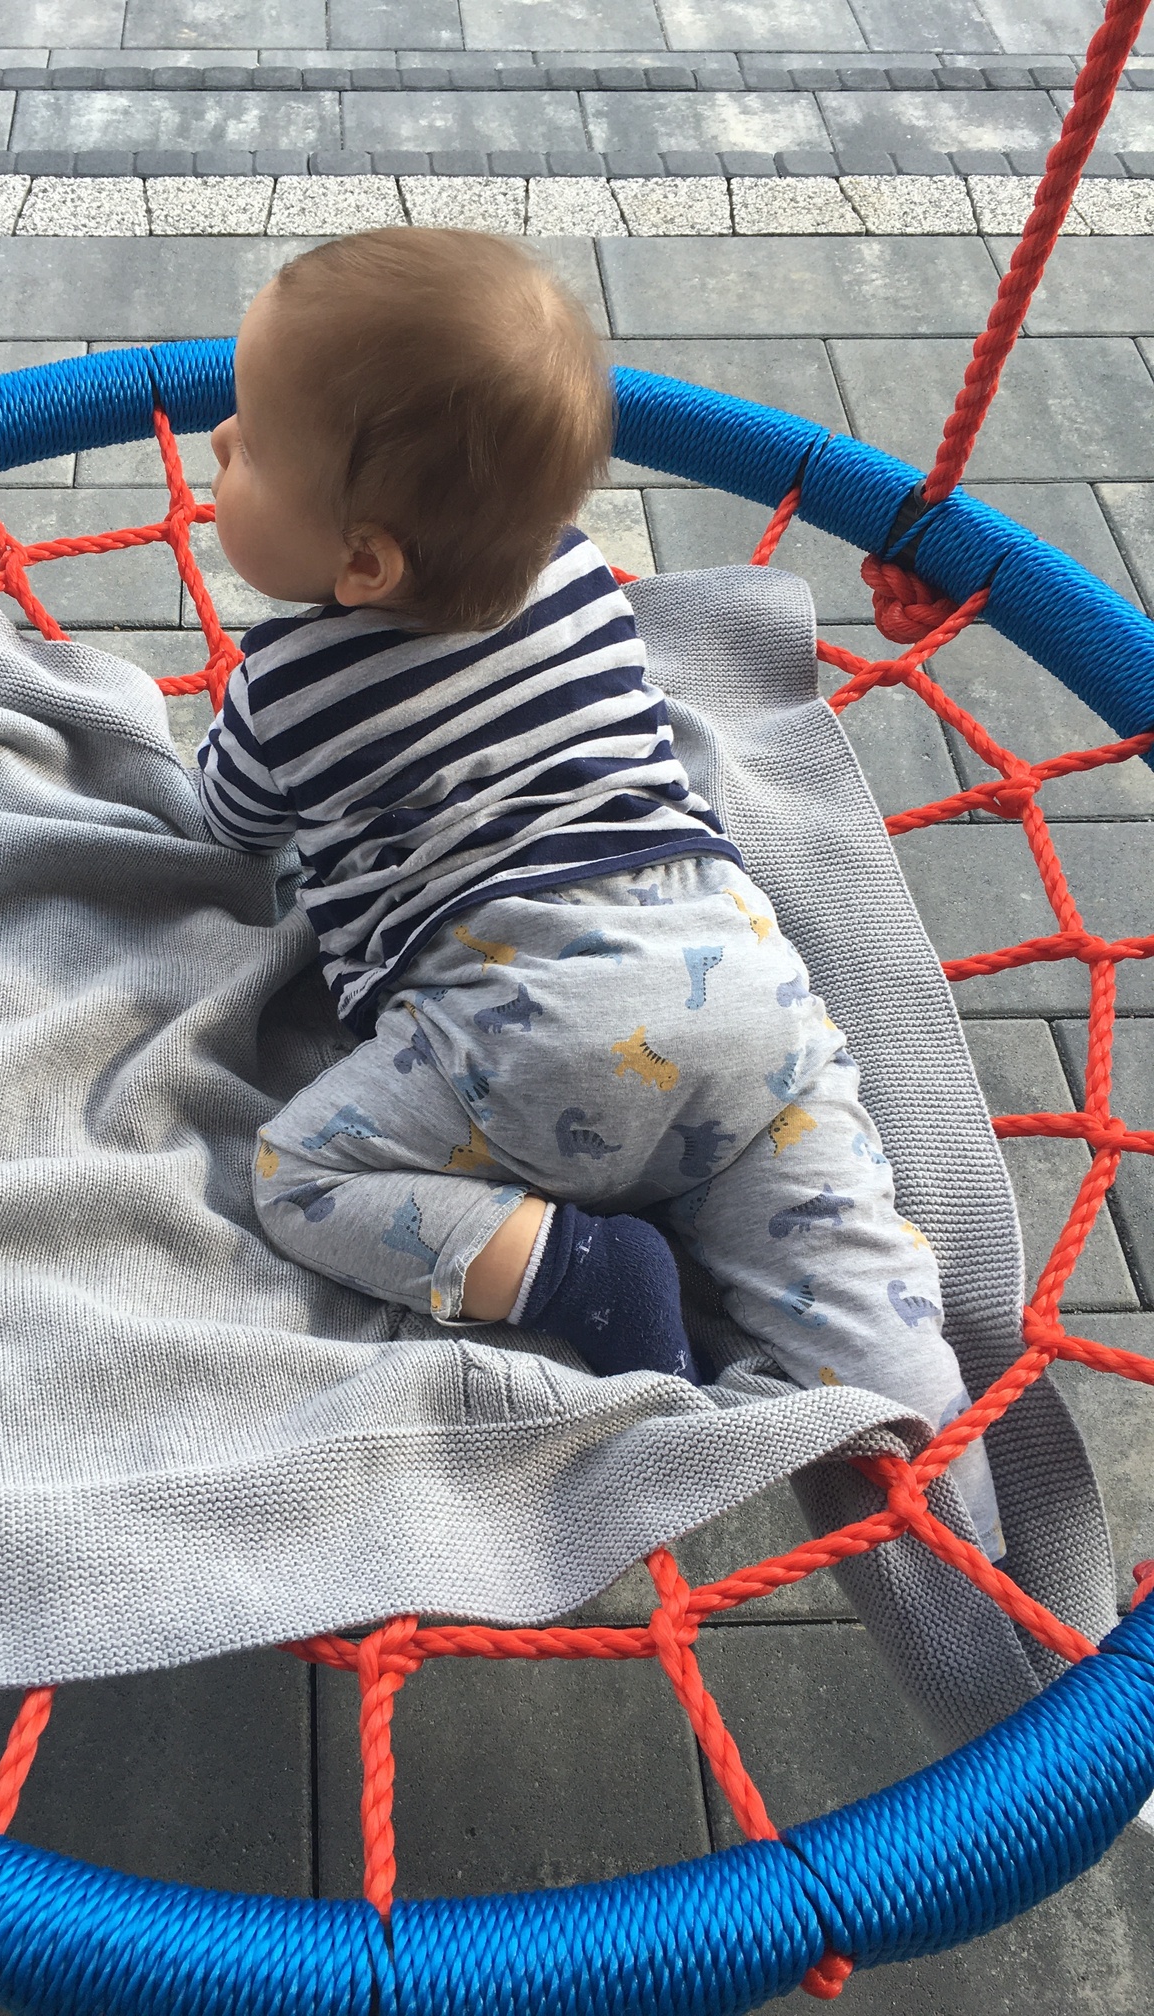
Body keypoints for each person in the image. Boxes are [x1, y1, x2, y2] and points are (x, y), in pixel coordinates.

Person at [195, 227, 1003, 1560]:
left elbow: (226, 824)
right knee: (864, 1296)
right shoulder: (574, 569)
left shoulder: (287, 690)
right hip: (746, 999)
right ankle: (997, 1589)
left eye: (253, 445)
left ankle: (585, 1272)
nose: (220, 441)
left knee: (300, 1178)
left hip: (528, 1041)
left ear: (367, 565)